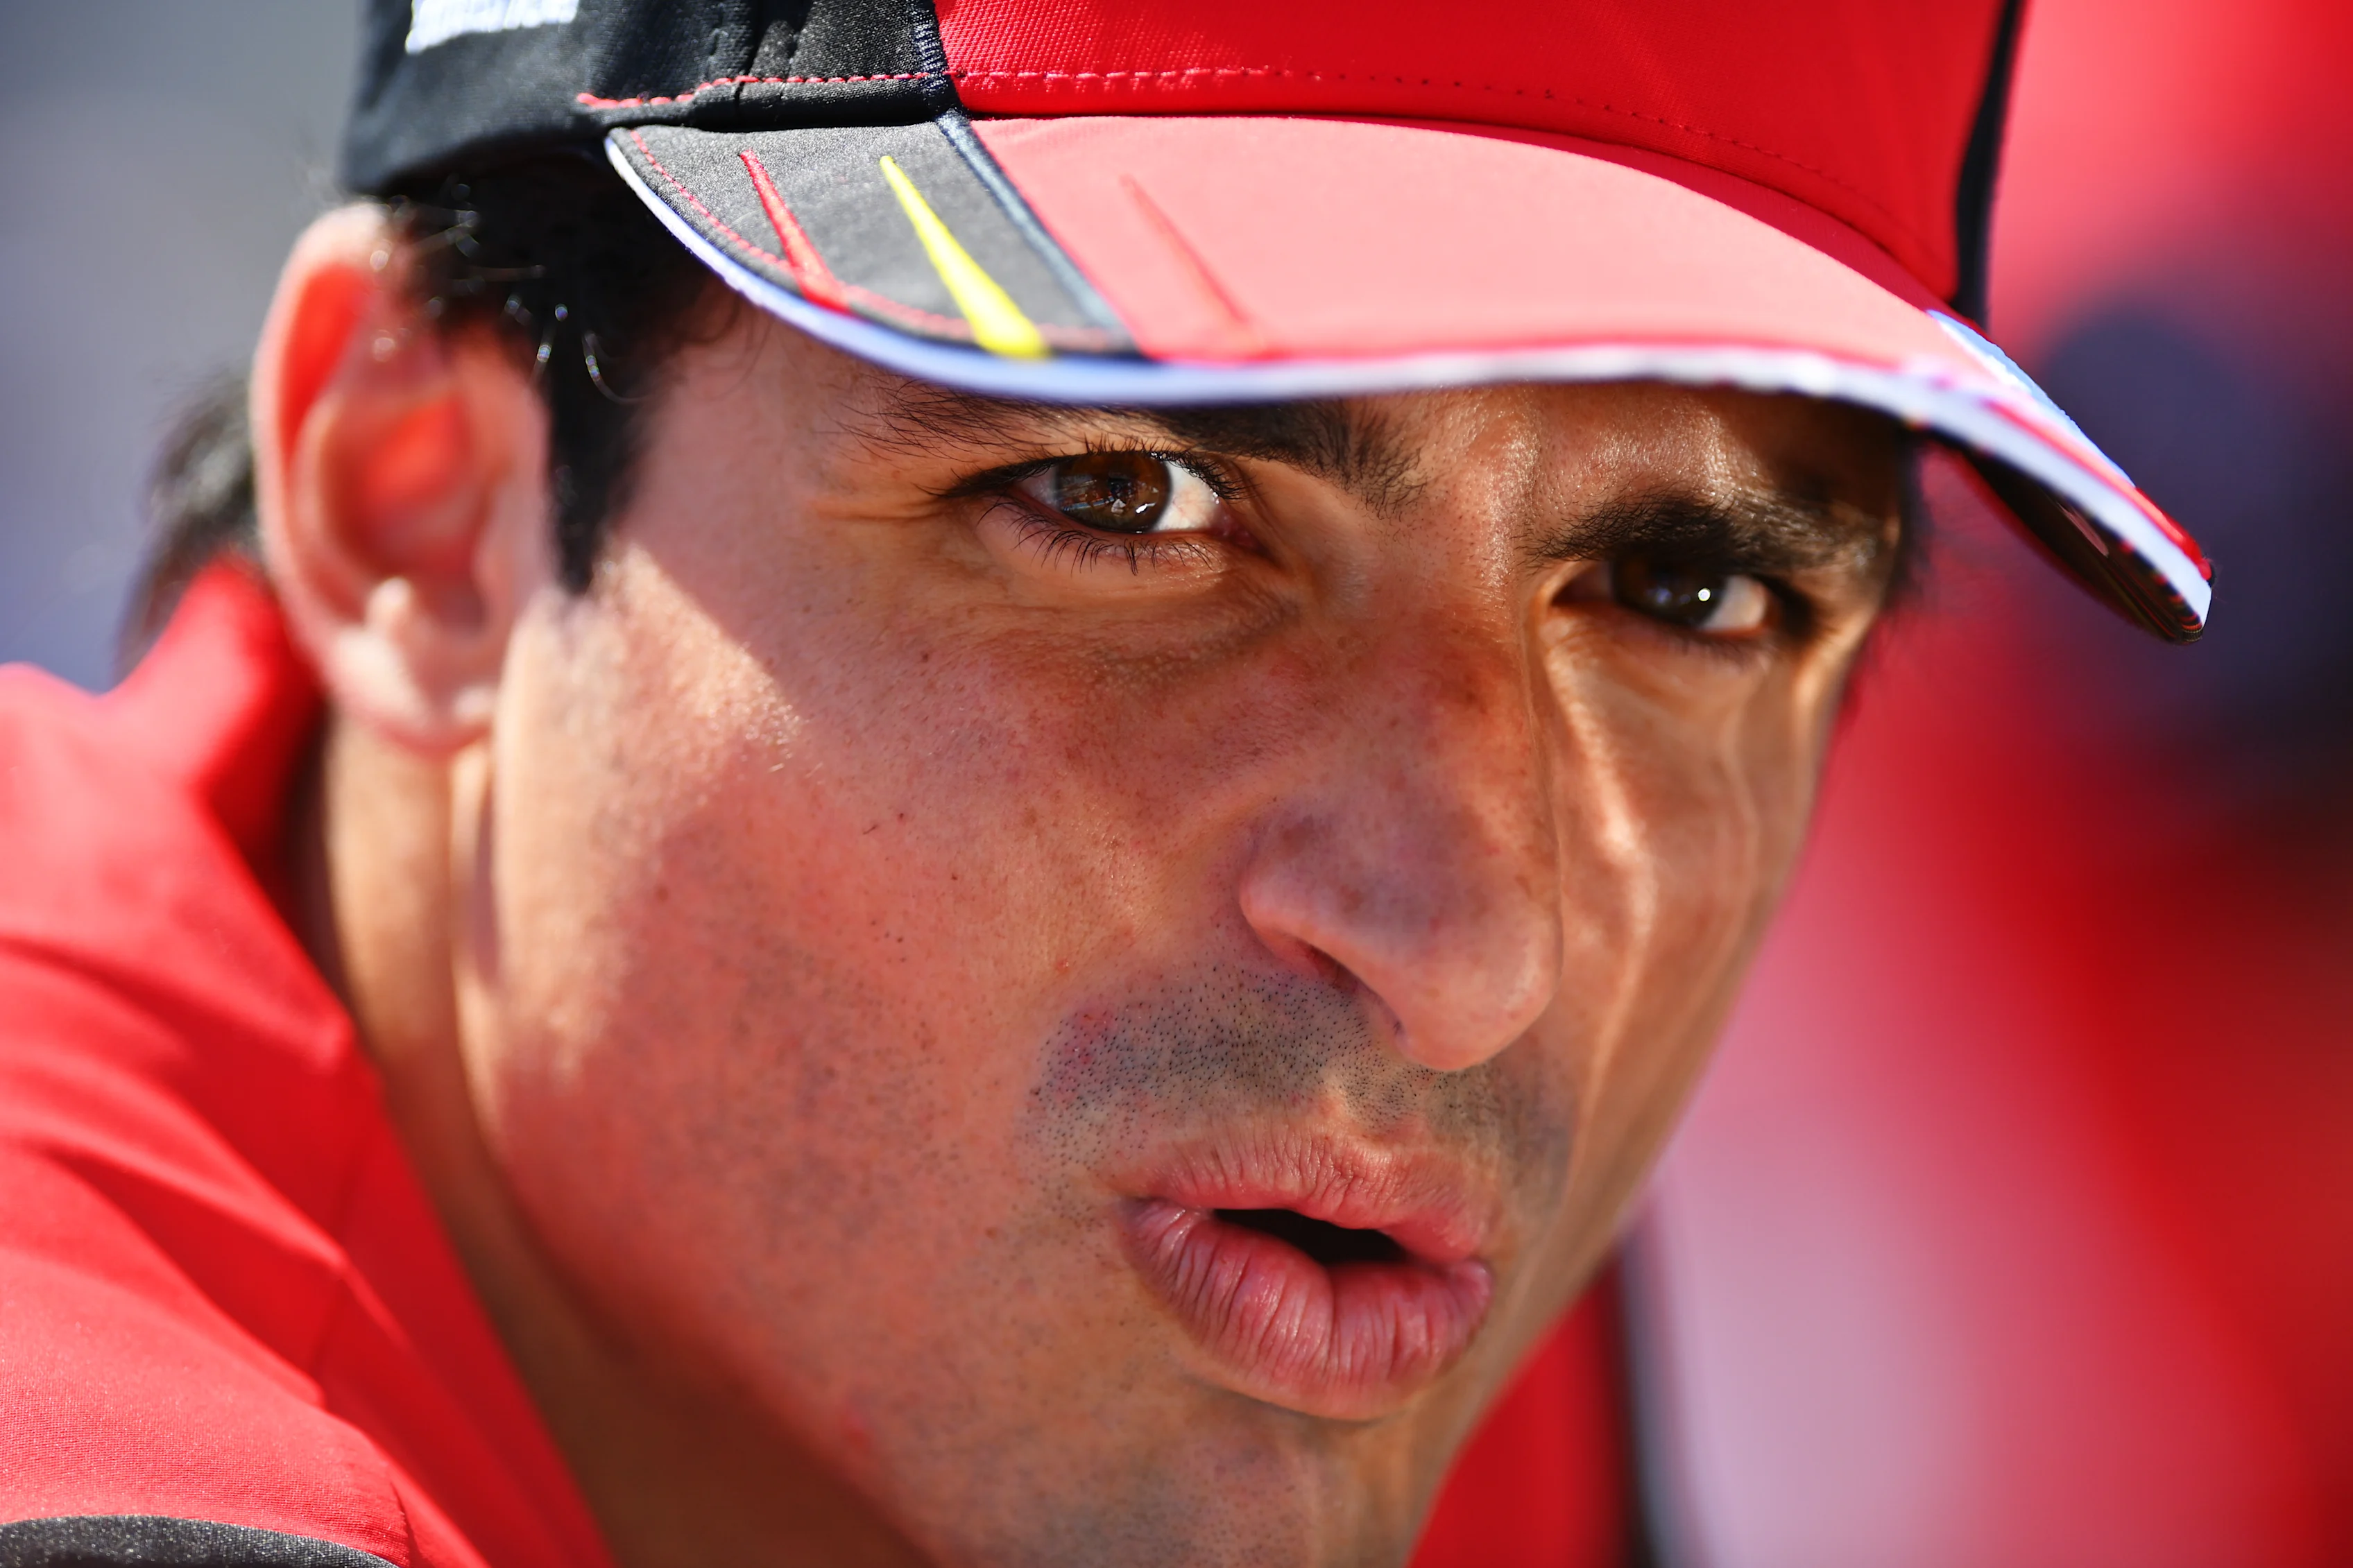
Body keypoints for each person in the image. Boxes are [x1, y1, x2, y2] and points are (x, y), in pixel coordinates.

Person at [0, 2, 2211, 1566]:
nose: (1464, 951)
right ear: (421, 506)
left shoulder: (1292, 1267)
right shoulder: (94, 1452)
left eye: (1684, 586)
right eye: (1125, 498)